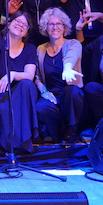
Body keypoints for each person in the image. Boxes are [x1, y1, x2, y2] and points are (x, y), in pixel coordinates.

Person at [0, 12, 39, 153]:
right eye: (17, 21)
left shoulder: (30, 49)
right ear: (9, 23)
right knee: (4, 108)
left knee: (27, 84)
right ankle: (11, 146)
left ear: (26, 32)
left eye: (25, 24)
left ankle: (24, 141)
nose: (20, 25)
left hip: (20, 94)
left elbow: (30, 75)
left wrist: (13, 74)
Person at [34, 8, 84, 144]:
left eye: (58, 24)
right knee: (40, 107)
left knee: (71, 91)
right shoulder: (40, 49)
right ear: (46, 27)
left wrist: (67, 68)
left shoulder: (73, 44)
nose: (55, 27)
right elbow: (37, 77)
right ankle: (59, 136)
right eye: (51, 24)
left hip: (70, 96)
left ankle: (72, 130)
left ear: (64, 27)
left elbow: (71, 56)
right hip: (52, 96)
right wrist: (44, 92)